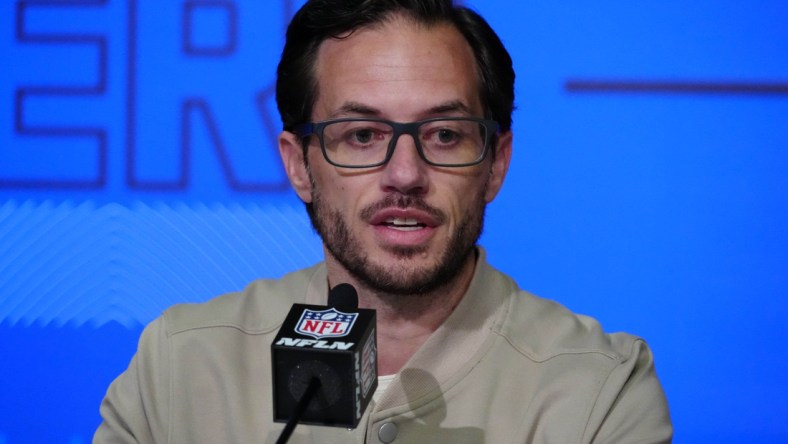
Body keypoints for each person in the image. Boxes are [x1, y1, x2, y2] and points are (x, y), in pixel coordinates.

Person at [95, 0, 673, 442]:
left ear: (496, 165)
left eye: (444, 135)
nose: (404, 175)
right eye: (362, 135)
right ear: (300, 166)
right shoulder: (180, 366)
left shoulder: (600, 392)